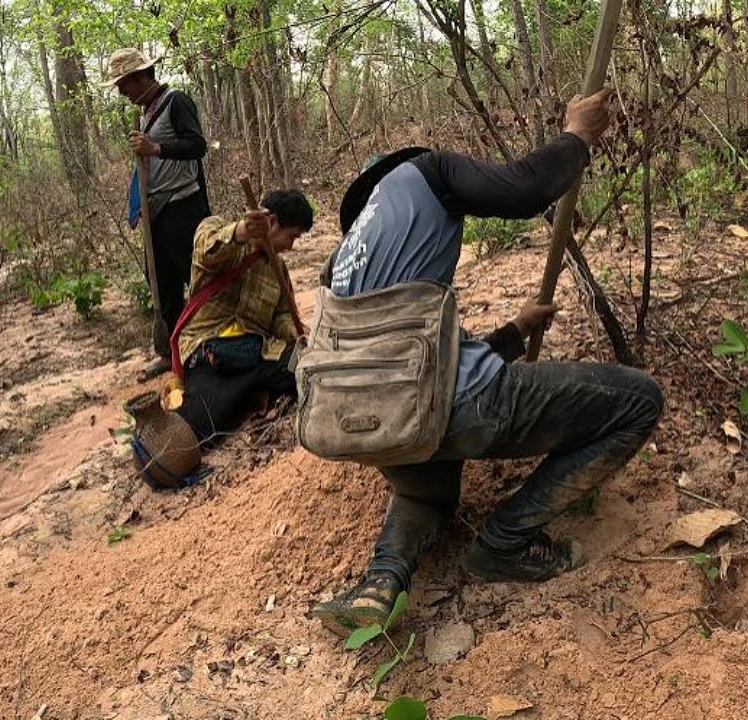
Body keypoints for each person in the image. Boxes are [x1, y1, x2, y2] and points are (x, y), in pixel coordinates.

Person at [310, 90, 664, 633]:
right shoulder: (427, 172)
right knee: (640, 401)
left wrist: (514, 333)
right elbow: (525, 190)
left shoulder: (342, 260)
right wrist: (577, 137)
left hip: (369, 425)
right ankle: (503, 542)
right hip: (448, 409)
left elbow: (412, 354)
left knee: (422, 485)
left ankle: (382, 579)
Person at [163, 190, 314, 447]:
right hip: (211, 353)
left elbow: (281, 317)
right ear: (272, 223)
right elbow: (205, 250)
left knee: (307, 372)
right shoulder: (217, 231)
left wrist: (298, 334)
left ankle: (248, 394)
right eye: (291, 237)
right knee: (197, 429)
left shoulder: (279, 270)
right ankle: (241, 396)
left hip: (257, 355)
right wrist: (243, 231)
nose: (291, 246)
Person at [107, 48, 210, 381]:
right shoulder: (147, 111)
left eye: (125, 87)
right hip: (158, 212)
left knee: (196, 279)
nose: (124, 95)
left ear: (140, 77)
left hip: (183, 206)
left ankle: (214, 345)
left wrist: (155, 148)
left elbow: (197, 146)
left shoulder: (176, 101)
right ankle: (171, 353)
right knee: (162, 285)